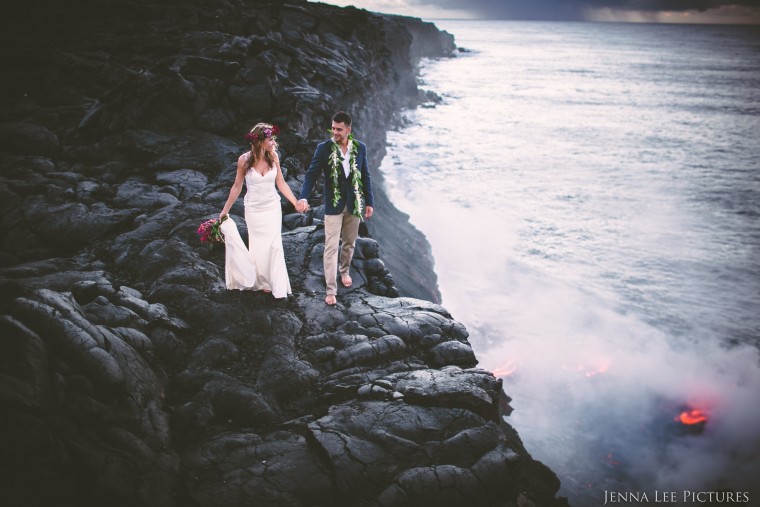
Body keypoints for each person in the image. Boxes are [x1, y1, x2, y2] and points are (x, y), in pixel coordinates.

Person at [296, 111, 374, 305]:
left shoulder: (360, 148)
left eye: (339, 129)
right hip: (333, 205)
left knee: (349, 243)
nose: (335, 132)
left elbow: (365, 176)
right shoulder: (324, 148)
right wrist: (303, 196)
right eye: (333, 128)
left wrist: (370, 202)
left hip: (354, 204)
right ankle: (331, 289)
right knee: (330, 247)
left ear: (349, 129)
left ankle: (345, 271)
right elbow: (311, 175)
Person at [218, 123, 300, 299]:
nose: (273, 142)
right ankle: (261, 282)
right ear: (260, 141)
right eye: (270, 139)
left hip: (272, 207)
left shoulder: (274, 157)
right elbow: (237, 187)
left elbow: (281, 183)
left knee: (275, 245)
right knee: (258, 246)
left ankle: (276, 283)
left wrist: (295, 202)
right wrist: (224, 211)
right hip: (254, 210)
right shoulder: (244, 160)